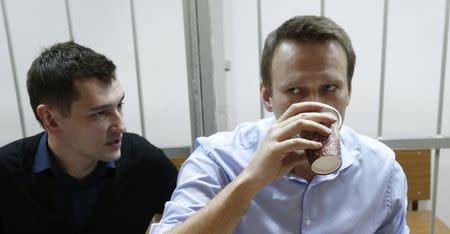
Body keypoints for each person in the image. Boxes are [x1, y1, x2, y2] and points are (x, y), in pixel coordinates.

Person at [151, 15, 409, 233]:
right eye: (296, 90)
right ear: (267, 96)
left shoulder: (381, 170)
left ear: (349, 91)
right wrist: (251, 180)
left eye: (330, 88)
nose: (315, 106)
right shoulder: (217, 159)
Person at [0, 41, 178, 233]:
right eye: (99, 113)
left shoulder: (145, 162)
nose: (122, 126)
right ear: (50, 119)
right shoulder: (6, 173)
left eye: (119, 105)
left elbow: (194, 220)